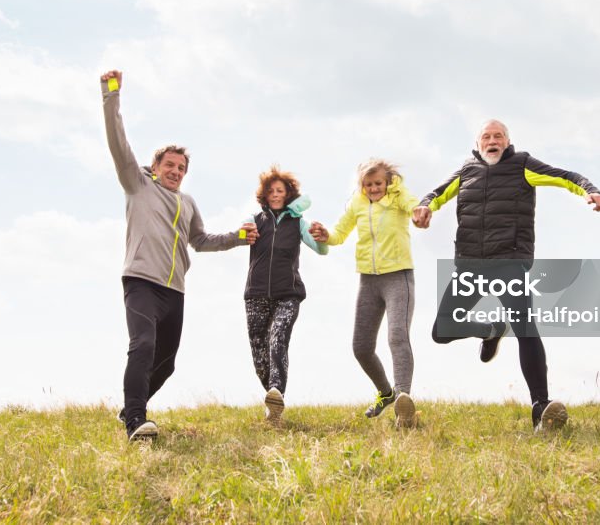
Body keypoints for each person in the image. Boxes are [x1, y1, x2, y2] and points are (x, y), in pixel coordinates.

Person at [413, 120, 600, 432]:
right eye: (486, 137)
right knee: (442, 330)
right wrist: (424, 208)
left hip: (509, 262)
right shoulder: (466, 171)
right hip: (470, 266)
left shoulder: (523, 165)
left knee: (525, 329)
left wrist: (591, 190)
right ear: (478, 144)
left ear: (507, 141)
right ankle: (491, 330)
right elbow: (435, 194)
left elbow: (566, 177)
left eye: (498, 136)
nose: (492, 140)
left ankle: (542, 408)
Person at [101, 70, 258, 442]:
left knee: (166, 363)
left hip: (175, 290)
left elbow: (200, 240)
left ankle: (130, 405)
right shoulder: (137, 186)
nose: (175, 172)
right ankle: (135, 421)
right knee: (143, 345)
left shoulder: (187, 203)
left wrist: (237, 237)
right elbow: (118, 143)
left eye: (181, 168)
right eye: (169, 165)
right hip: (141, 281)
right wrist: (111, 94)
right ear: (155, 169)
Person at [309, 159, 420, 428]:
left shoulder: (398, 197)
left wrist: (419, 212)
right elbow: (340, 233)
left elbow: (413, 206)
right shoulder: (357, 203)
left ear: (388, 181)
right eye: (368, 184)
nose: (373, 188)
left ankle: (404, 400)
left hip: (398, 277)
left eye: (378, 183)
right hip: (368, 281)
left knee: (397, 336)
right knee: (361, 347)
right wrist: (326, 235)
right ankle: (386, 393)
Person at [243, 166, 328, 427]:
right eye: (271, 191)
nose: (276, 194)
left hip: (288, 294)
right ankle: (273, 401)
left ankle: (278, 391)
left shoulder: (297, 223)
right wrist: (244, 232)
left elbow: (320, 250)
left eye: (280, 190)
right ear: (265, 195)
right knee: (259, 353)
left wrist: (322, 237)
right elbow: (243, 234)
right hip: (256, 293)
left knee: (277, 338)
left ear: (288, 194)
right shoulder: (255, 219)